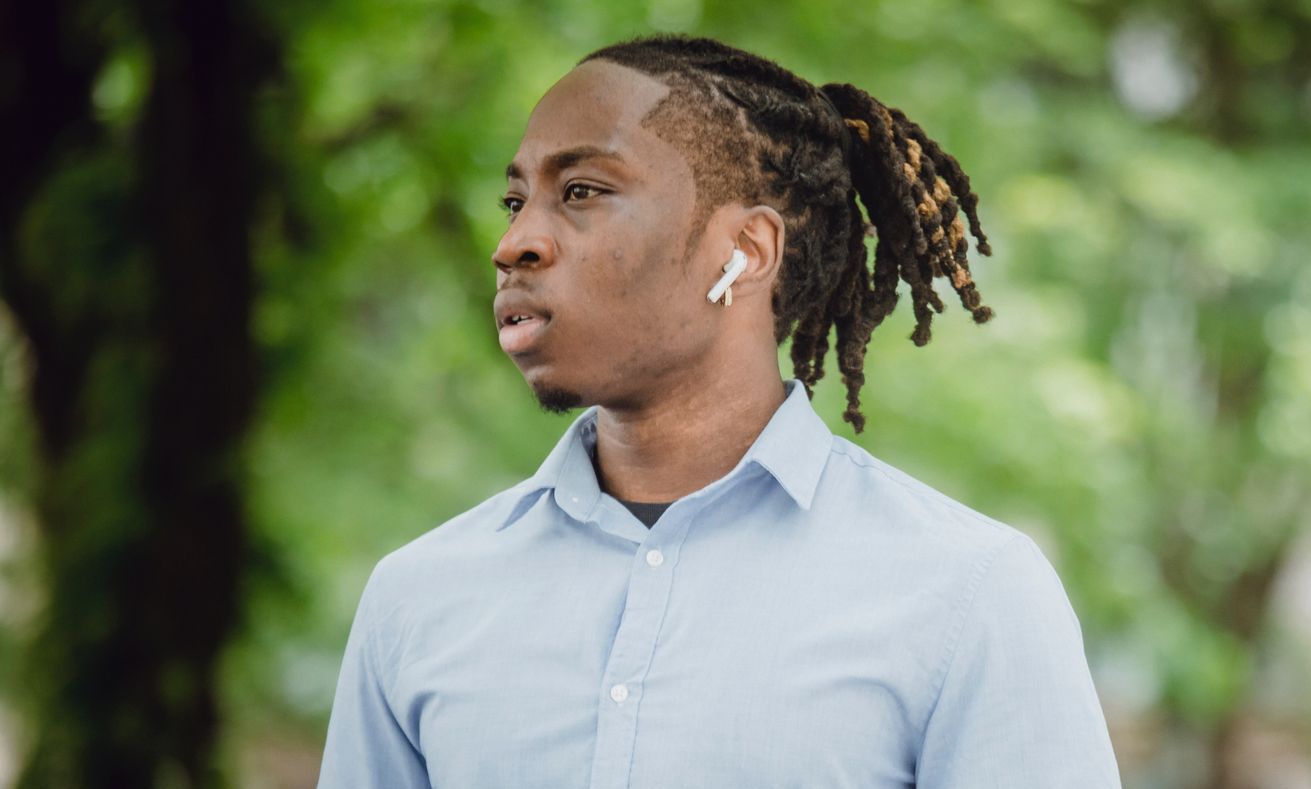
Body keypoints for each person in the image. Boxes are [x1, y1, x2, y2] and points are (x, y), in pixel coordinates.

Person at [318, 34, 1122, 788]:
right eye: (513, 199)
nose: (514, 243)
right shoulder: (416, 600)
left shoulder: (968, 592)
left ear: (745, 252)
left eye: (581, 191)